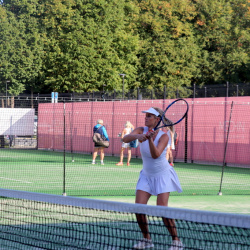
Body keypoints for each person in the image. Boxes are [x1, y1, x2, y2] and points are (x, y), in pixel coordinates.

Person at [122, 107, 183, 250]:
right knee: (139, 208)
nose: (146, 118)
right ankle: (146, 239)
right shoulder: (140, 129)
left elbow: (155, 155)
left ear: (157, 120)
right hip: (146, 176)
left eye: (150, 116)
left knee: (162, 209)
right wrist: (138, 137)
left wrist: (149, 140)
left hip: (163, 175)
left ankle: (176, 241)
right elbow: (125, 138)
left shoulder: (164, 136)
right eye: (146, 115)